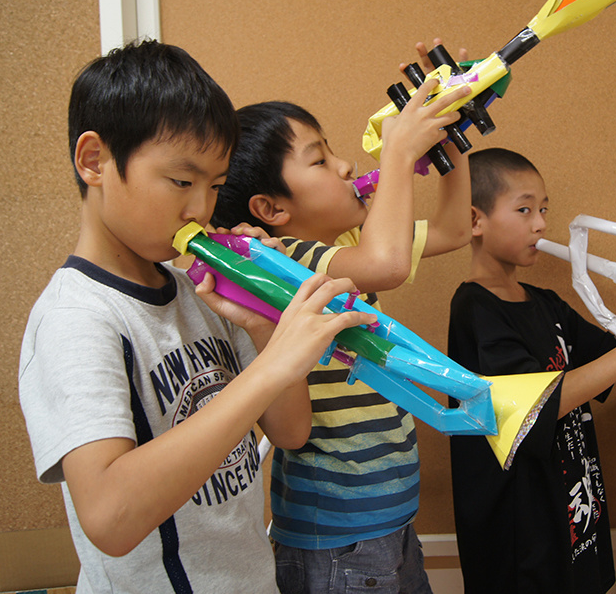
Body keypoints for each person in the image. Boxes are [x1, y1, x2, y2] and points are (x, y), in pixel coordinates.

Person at [18, 39, 376, 594]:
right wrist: (270, 368)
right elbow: (110, 517)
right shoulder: (75, 318)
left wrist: (265, 323)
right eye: (182, 182)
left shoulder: (195, 290)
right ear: (94, 161)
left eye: (215, 186)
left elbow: (291, 431)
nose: (201, 209)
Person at [210, 41, 472, 594]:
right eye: (319, 159)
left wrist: (451, 137)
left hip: (388, 520)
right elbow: (387, 264)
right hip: (336, 539)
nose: (346, 165)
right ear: (272, 210)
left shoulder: (351, 244)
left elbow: (453, 228)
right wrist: (398, 153)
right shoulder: (285, 264)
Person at [447, 147, 616, 594]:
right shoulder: (474, 308)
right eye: (524, 209)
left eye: (544, 209)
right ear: (475, 220)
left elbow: (610, 361)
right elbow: (535, 406)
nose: (540, 224)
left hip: (570, 515)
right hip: (519, 539)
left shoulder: (546, 303)